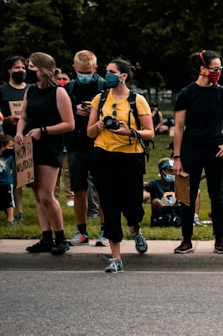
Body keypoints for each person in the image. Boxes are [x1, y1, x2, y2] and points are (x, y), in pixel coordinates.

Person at [84, 59, 153, 272]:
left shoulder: (137, 100)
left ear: (123, 76)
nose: (108, 76)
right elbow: (89, 132)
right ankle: (116, 257)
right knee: (109, 204)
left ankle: (135, 227)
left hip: (131, 157)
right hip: (104, 155)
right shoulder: (100, 98)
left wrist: (129, 131)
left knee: (131, 204)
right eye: (107, 72)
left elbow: (150, 132)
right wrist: (99, 124)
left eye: (112, 72)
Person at [172, 50, 223, 254]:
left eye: (220, 68)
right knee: (187, 195)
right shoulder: (187, 94)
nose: (218, 72)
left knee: (217, 196)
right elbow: (179, 127)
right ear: (202, 69)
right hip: (191, 149)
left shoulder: (222, 93)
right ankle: (186, 240)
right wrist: (177, 157)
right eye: (215, 68)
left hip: (215, 149)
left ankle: (219, 240)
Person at [17, 52, 75, 254]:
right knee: (36, 194)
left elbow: (69, 124)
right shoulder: (30, 91)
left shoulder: (58, 92)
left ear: (42, 69)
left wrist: (44, 131)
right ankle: (45, 237)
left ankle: (61, 237)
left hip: (49, 146)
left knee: (47, 194)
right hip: (29, 146)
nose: (28, 71)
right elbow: (24, 116)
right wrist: (18, 133)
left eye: (32, 67)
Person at [65, 50, 106, 247]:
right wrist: (75, 110)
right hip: (76, 144)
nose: (84, 74)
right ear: (74, 68)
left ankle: (106, 230)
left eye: (88, 71)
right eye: (81, 71)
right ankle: (81, 231)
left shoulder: (104, 85)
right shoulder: (69, 87)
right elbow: (62, 112)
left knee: (102, 189)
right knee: (78, 190)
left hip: (99, 145)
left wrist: (95, 111)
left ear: (95, 69)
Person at [0, 55, 29, 221]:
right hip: (9, 139)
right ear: (9, 70)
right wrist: (6, 119)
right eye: (17, 68)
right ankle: (17, 211)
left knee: (25, 177)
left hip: (28, 138)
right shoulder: (2, 91)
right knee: (13, 178)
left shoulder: (30, 89)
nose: (21, 71)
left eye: (23, 68)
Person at [145, 157, 183, 227]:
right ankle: (170, 218)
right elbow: (140, 184)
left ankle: (189, 218)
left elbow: (191, 180)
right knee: (155, 201)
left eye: (173, 170)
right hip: (160, 214)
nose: (172, 173)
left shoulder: (176, 183)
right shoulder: (154, 184)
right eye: (169, 170)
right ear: (162, 171)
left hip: (174, 211)